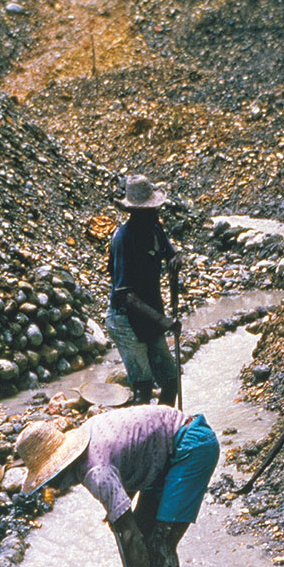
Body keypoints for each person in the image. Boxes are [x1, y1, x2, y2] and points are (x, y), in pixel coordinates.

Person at [15, 405, 219, 567]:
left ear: (61, 468)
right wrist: (122, 508)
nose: (52, 486)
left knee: (159, 543)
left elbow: (129, 536)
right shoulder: (86, 435)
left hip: (191, 447)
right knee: (142, 532)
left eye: (50, 479)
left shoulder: (95, 472)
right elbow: (129, 453)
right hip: (162, 456)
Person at [106, 174, 181, 406]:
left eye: (154, 210)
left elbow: (171, 253)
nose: (154, 214)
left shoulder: (155, 229)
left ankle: (163, 431)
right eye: (148, 211)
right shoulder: (123, 238)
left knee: (170, 381)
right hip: (126, 319)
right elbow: (125, 295)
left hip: (150, 313)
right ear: (134, 212)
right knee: (144, 387)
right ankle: (142, 437)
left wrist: (176, 259)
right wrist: (163, 320)